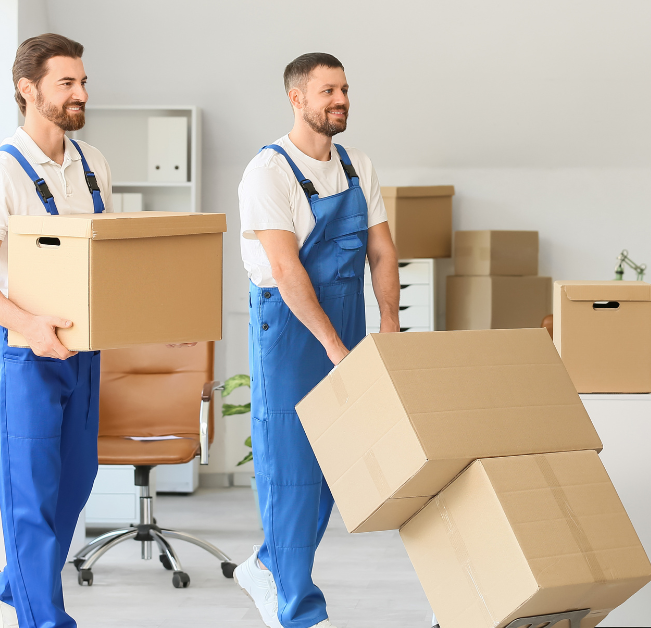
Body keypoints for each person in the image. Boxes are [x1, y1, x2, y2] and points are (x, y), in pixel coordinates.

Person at [234, 52, 401, 628]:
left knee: (336, 469)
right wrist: (336, 351)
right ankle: (296, 608)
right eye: (328, 90)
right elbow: (286, 270)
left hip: (346, 321)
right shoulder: (268, 173)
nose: (341, 100)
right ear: (296, 98)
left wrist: (389, 327)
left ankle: (265, 563)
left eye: (346, 90)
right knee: (293, 466)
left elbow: (381, 251)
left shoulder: (358, 167)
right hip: (288, 328)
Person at [0, 34, 111, 628]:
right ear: (28, 90)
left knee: (74, 482)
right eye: (66, 83)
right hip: (24, 354)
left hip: (83, 350)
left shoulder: (92, 163)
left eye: (82, 81)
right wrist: (28, 326)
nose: (81, 93)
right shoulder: (0, 173)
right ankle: (43, 619)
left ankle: (16, 589)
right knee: (30, 501)